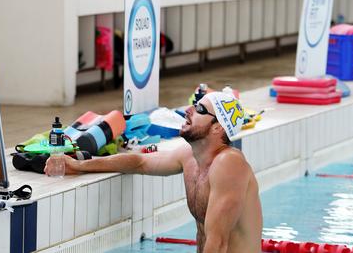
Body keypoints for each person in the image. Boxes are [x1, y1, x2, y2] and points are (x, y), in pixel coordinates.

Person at [45, 92, 262, 253]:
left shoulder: (229, 165)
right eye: (194, 105)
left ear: (217, 128)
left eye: (200, 110)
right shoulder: (190, 157)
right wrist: (80, 166)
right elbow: (139, 162)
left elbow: (218, 244)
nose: (189, 110)